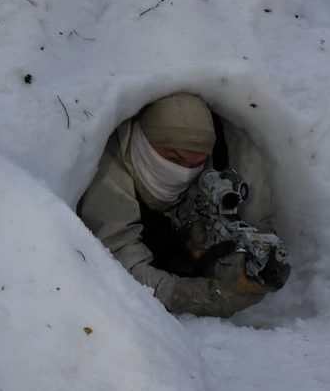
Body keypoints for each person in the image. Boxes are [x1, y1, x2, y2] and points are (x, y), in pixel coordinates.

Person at [76, 93, 283, 317]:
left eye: (197, 162)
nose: (184, 174)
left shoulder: (205, 170)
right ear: (144, 142)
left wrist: (237, 264)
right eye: (174, 160)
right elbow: (126, 275)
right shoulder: (109, 175)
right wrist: (214, 295)